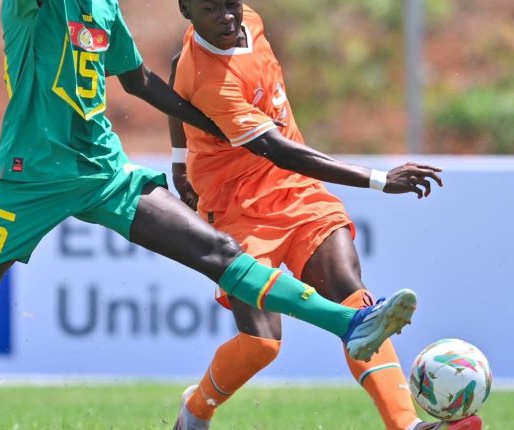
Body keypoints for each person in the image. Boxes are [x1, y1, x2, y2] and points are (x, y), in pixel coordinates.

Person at [0, 1, 420, 429]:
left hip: (104, 173)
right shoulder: (33, 8)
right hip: (29, 181)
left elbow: (138, 80)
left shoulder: (102, 8)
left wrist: (206, 128)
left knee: (220, 253)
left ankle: (347, 323)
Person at [167, 2, 481, 430]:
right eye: (210, 8)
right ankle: (196, 409)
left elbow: (175, 68)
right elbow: (277, 149)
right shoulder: (209, 81)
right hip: (236, 206)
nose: (226, 16)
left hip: (297, 191)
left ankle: (405, 425)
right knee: (261, 345)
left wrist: (179, 158)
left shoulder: (248, 20)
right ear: (185, 9)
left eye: (230, 4)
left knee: (355, 299)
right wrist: (380, 179)